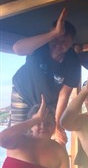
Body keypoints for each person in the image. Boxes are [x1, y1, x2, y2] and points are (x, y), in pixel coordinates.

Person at [11, 8, 81, 145]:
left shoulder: (73, 62)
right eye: (56, 39)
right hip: (23, 93)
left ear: (71, 43)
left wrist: (58, 125)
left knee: (46, 134)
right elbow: (17, 49)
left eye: (64, 41)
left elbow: (63, 95)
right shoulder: (39, 46)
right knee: (18, 137)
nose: (58, 44)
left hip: (48, 102)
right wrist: (54, 33)